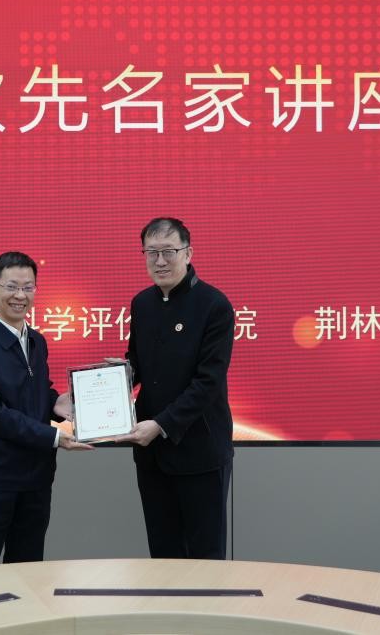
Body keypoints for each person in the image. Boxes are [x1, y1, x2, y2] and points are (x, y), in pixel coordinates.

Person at [0, 251, 91, 567]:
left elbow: (32, 393)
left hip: (36, 477)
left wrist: (55, 403)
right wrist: (53, 437)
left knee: (29, 570)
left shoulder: (37, 341)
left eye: (28, 287)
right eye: (12, 286)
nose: (20, 296)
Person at [115, 217, 235, 559]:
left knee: (204, 556)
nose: (160, 261)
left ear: (188, 253)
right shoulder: (142, 303)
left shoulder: (214, 305)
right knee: (163, 553)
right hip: (151, 453)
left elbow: (208, 382)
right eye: (151, 252)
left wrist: (162, 424)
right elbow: (138, 363)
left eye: (169, 251)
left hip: (199, 450)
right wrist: (115, 378)